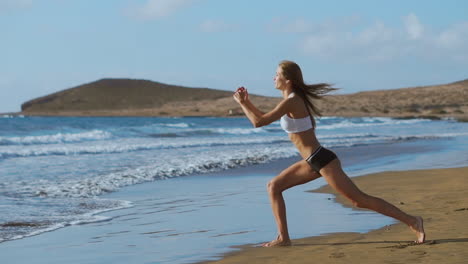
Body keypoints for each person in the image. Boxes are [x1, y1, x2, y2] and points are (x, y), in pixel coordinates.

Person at [232, 60, 425, 247]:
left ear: (288, 80)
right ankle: (284, 238)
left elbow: (259, 122)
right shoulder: (289, 100)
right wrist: (246, 102)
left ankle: (412, 221)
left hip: (321, 160)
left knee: (358, 200)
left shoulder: (292, 101)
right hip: (311, 161)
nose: (273, 77)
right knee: (274, 186)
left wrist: (243, 103)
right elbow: (261, 118)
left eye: (277, 74)